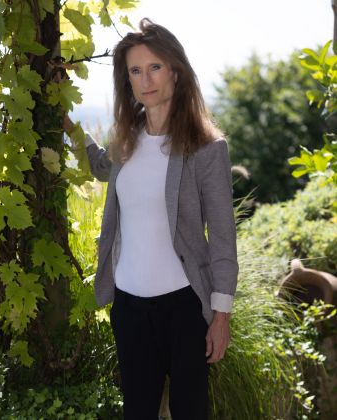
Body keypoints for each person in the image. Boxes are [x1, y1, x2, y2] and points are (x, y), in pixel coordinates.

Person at [65, 18, 238, 420]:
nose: (146, 80)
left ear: (176, 71)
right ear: (127, 80)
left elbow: (223, 237)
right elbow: (100, 166)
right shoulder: (126, 139)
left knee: (190, 411)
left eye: (155, 67)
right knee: (137, 412)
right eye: (136, 71)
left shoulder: (207, 148)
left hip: (185, 309)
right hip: (129, 308)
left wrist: (221, 316)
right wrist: (68, 127)